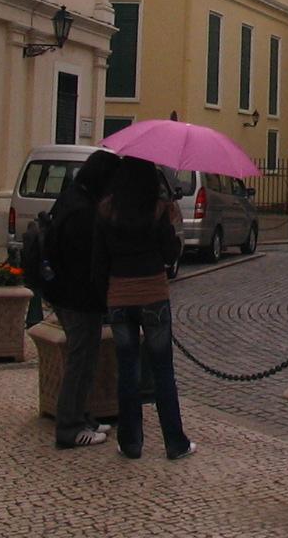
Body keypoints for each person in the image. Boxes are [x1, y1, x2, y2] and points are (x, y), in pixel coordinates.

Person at [93, 157, 195, 462]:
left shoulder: (106, 210)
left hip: (119, 297)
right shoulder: (158, 210)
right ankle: (174, 442)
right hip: (153, 296)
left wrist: (104, 296)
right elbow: (170, 255)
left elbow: (99, 260)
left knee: (127, 370)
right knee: (163, 370)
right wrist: (170, 225)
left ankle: (130, 442)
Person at [46, 147, 120, 449]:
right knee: (80, 360)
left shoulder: (72, 198)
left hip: (67, 295)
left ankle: (83, 416)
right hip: (78, 298)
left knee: (87, 358)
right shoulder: (83, 212)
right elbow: (86, 261)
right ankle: (70, 426)